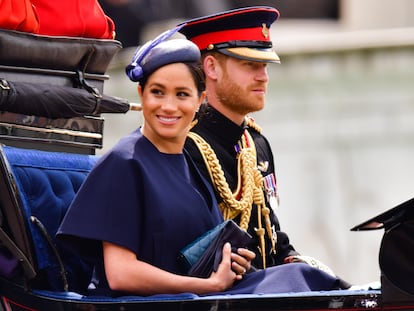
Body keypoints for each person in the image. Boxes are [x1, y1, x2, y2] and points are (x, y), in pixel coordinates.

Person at [56, 28, 344, 297]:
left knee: (307, 281)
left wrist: (230, 262)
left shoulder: (186, 162)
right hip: (161, 304)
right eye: (157, 92)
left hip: (201, 298)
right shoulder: (125, 162)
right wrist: (207, 285)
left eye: (182, 94)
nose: (169, 106)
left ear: (200, 100)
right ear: (141, 94)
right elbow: (121, 274)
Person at [179, 6, 350, 288]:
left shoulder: (254, 141)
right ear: (211, 68)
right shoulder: (188, 144)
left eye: (265, 66)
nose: (263, 77)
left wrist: (293, 260)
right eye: (250, 65)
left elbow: (269, 232)